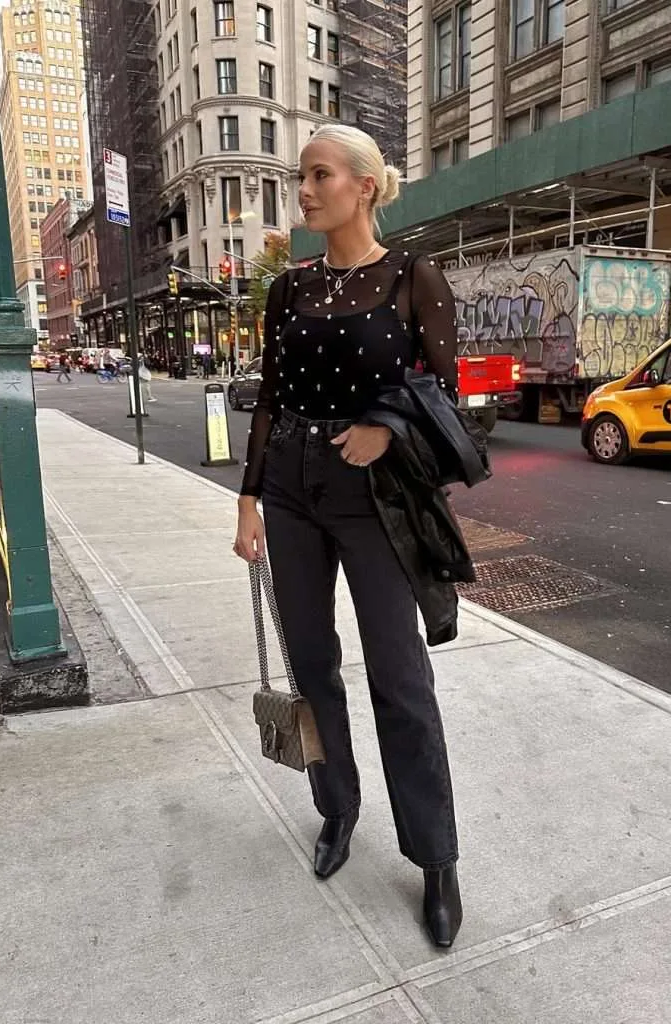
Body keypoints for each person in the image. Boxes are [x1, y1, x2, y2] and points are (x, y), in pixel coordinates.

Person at [233, 124, 465, 948]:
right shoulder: (288, 289)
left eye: (318, 175)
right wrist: (248, 498)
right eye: (301, 177)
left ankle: (435, 858)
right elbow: (268, 396)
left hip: (374, 493)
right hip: (290, 486)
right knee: (311, 663)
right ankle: (336, 807)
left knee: (399, 678)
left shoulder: (412, 276)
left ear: (364, 185)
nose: (303, 191)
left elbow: (444, 388)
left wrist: (384, 427)